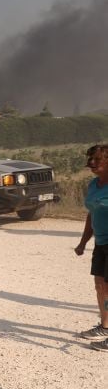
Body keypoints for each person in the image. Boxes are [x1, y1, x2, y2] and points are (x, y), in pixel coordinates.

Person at [74, 144, 108, 349]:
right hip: (101, 242)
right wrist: (82, 242)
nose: (91, 163)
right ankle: (105, 326)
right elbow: (92, 214)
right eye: (89, 159)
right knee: (100, 287)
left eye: (96, 159)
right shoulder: (94, 185)